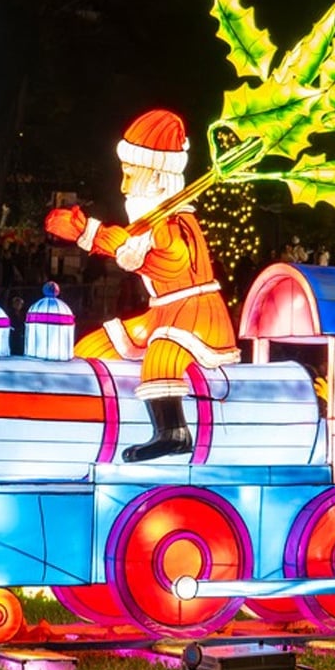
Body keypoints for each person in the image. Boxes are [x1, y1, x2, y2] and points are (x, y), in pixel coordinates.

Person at [45, 109, 240, 461]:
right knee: (98, 345)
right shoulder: (153, 220)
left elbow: (174, 261)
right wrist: (86, 231)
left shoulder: (175, 222)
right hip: (162, 312)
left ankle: (174, 432)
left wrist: (128, 251)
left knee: (162, 354)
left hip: (195, 315)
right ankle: (79, 411)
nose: (123, 186)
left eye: (131, 175)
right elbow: (125, 243)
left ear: (157, 176)